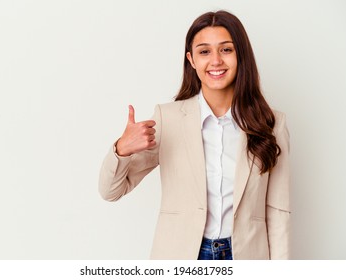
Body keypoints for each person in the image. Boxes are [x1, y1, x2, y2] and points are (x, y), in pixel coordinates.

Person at [99, 10, 290, 260]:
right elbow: (110, 191)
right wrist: (121, 150)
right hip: (182, 257)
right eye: (204, 51)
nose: (215, 61)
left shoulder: (271, 123)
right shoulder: (168, 119)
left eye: (226, 50)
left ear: (241, 55)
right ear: (191, 59)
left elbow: (278, 211)